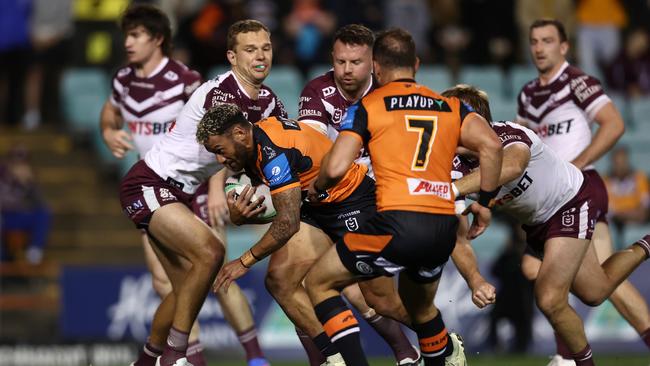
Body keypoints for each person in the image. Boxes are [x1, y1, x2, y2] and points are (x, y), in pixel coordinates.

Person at [301, 28, 504, 366]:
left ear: (376, 67)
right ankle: (444, 358)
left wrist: (318, 187)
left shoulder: (369, 106)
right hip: (442, 226)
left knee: (318, 282)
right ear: (418, 64)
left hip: (396, 222)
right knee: (421, 308)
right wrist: (484, 201)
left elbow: (336, 166)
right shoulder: (448, 105)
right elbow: (493, 147)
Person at [118, 18, 284, 366]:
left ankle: (146, 361)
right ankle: (175, 356)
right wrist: (247, 186)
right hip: (149, 184)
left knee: (183, 290)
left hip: (177, 193)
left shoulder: (268, 100)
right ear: (232, 57)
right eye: (250, 50)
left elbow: (284, 144)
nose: (260, 57)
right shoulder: (221, 96)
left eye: (265, 48)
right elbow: (226, 149)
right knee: (210, 253)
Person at [449, 84, 650, 366]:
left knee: (549, 298)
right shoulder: (453, 164)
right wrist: (475, 279)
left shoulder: (508, 135)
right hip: (538, 222)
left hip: (570, 201)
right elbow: (457, 234)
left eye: (447, 120)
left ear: (473, 123)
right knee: (594, 292)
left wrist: (452, 190)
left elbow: (512, 167)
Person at [515, 18, 650, 365]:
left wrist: (574, 164)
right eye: (534, 41)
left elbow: (614, 123)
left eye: (547, 40)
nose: (539, 47)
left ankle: (567, 358)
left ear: (564, 47)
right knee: (596, 282)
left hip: (580, 188)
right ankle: (569, 356)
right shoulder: (528, 94)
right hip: (549, 201)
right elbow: (523, 149)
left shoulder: (577, 82)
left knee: (592, 282)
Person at [297, 23, 420, 365]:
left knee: (374, 295)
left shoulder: (387, 93)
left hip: (368, 199)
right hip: (323, 198)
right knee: (286, 279)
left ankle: (430, 338)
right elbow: (310, 147)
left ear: (374, 63)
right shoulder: (316, 91)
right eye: (340, 62)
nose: (347, 70)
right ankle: (333, 361)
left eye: (356, 62)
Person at [604, 146, 650, 246]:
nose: (620, 167)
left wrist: (622, 214)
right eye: (617, 163)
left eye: (623, 162)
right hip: (615, 225)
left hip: (638, 223)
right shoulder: (605, 181)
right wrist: (631, 212)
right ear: (612, 163)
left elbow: (644, 212)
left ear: (627, 161)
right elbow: (610, 213)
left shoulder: (640, 178)